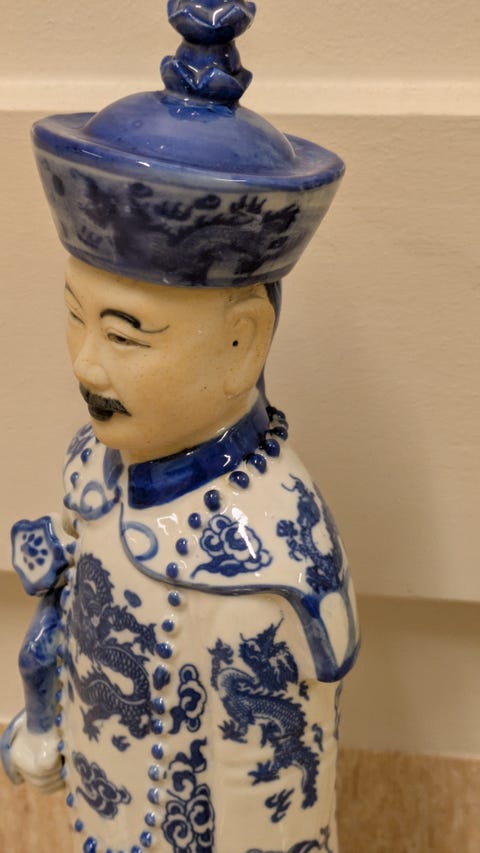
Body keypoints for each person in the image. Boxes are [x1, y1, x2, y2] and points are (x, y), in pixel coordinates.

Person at [1, 3, 359, 850]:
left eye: (127, 334)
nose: (88, 364)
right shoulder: (96, 466)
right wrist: (44, 715)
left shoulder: (267, 566)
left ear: (241, 344)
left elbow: (275, 809)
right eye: (76, 318)